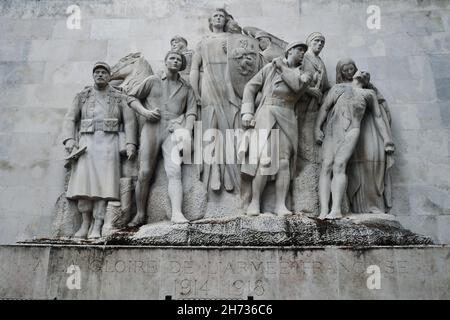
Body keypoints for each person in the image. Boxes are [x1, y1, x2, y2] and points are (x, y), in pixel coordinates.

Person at [62, 62, 138, 238]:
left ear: (109, 75)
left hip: (109, 143)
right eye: (97, 72)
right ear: (93, 75)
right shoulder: (82, 96)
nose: (100, 75)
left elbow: (130, 121)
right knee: (84, 184)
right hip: (86, 144)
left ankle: (97, 225)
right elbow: (70, 119)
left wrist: (130, 143)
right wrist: (69, 140)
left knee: (105, 186)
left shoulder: (119, 97)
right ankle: (85, 223)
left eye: (104, 72)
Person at [240, 42, 312, 216]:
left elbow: (296, 86)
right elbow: (250, 87)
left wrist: (281, 66)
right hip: (266, 113)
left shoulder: (305, 74)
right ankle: (255, 202)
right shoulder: (268, 68)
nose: (302, 53)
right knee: (264, 159)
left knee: (284, 161)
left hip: (287, 115)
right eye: (299, 49)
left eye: (304, 51)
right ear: (289, 50)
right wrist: (247, 113)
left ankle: (281, 204)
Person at [126, 51, 197, 227]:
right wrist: (145, 112)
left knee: (174, 171)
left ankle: (177, 213)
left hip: (172, 129)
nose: (175, 61)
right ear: (165, 61)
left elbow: (191, 112)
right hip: (152, 127)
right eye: (172, 58)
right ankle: (140, 214)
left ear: (182, 65)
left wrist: (185, 131)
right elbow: (131, 97)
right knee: (144, 172)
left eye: (178, 59)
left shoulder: (186, 87)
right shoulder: (153, 80)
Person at [314, 71, 395, 219]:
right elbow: (325, 108)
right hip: (332, 130)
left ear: (367, 80)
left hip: (352, 130)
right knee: (326, 166)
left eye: (366, 73)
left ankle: (336, 209)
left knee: (339, 165)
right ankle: (323, 210)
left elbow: (377, 117)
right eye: (361, 71)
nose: (363, 72)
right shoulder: (337, 88)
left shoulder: (368, 94)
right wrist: (317, 128)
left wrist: (387, 139)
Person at [190, 8, 241, 192]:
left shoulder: (232, 38)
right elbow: (195, 68)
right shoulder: (203, 42)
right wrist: (195, 91)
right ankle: (215, 172)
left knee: (228, 128)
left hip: (228, 84)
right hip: (209, 84)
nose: (219, 18)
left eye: (222, 16)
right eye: (215, 16)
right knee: (211, 128)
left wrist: (234, 51)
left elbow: (244, 63)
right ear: (210, 21)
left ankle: (229, 171)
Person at [335, 58, 394, 213]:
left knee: (372, 163)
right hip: (348, 131)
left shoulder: (369, 91)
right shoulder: (339, 88)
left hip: (369, 128)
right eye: (345, 70)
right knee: (354, 166)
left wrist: (387, 138)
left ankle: (374, 204)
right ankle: (357, 206)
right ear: (341, 72)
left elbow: (380, 112)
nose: (349, 72)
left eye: (351, 69)